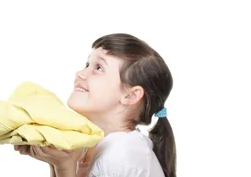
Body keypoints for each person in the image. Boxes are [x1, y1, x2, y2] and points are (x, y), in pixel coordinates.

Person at [15, 33, 176, 177]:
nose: (80, 74)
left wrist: (64, 166)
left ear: (130, 95)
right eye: (87, 64)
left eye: (99, 68)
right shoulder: (99, 145)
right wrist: (55, 162)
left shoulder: (122, 155)